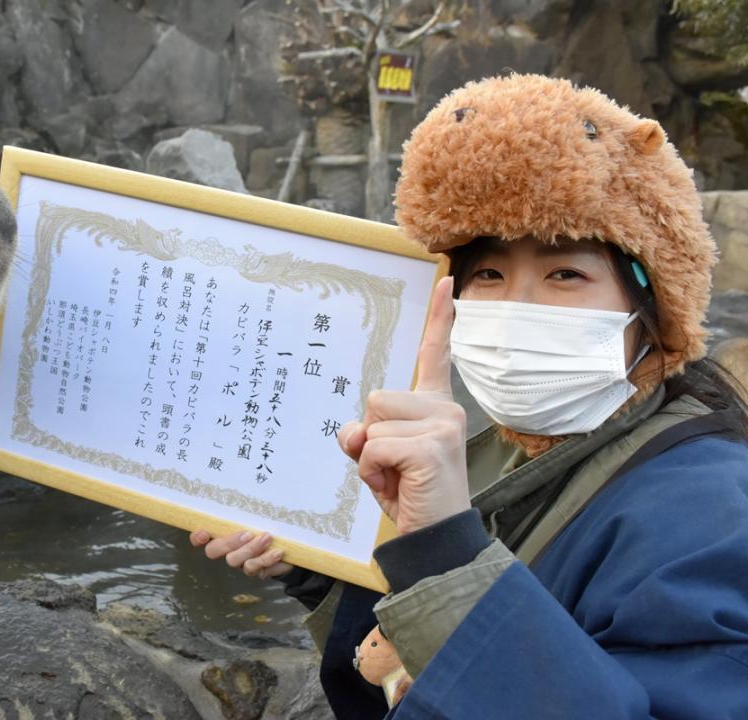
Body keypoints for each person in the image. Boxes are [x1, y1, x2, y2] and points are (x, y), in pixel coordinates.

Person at [190, 74, 748, 718]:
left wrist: (444, 552)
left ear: (653, 306)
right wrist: (311, 566)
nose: (518, 306)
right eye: (487, 273)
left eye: (566, 272)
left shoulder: (710, 515)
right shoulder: (505, 448)